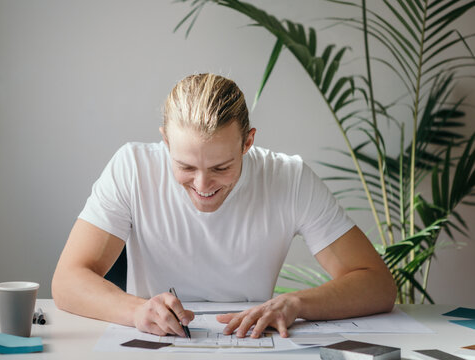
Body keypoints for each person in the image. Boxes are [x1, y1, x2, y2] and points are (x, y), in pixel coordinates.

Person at [52, 73, 396, 339]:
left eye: (220, 168)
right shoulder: (132, 167)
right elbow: (68, 280)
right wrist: (137, 311)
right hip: (150, 344)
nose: (202, 186)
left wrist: (296, 303)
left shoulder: (289, 178)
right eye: (186, 167)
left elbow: (378, 284)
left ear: (248, 142)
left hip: (250, 344)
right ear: (166, 141)